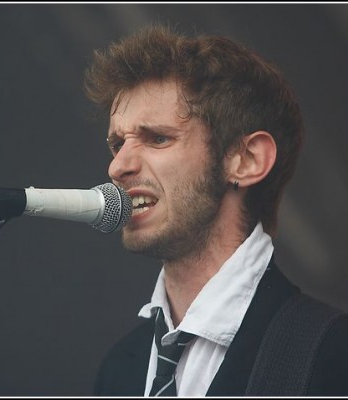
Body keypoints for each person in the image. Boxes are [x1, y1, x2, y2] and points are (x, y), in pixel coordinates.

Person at [83, 24, 348, 396]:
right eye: (117, 143)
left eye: (158, 138)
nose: (117, 167)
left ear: (247, 160)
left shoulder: (331, 354)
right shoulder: (120, 368)